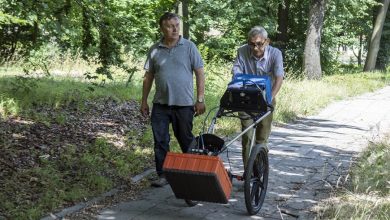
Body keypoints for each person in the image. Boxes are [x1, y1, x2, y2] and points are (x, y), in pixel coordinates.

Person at [140, 12, 206, 187]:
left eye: (177, 25)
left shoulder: (189, 47)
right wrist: (144, 101)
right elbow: (148, 76)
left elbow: (200, 73)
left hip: (184, 104)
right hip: (160, 104)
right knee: (160, 140)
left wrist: (200, 99)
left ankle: (194, 171)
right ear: (162, 29)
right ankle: (163, 174)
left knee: (185, 138)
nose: (175, 29)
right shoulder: (155, 49)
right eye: (170, 26)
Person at [231, 26, 284, 170]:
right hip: (246, 98)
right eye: (252, 44)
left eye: (259, 44)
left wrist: (270, 97)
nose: (255, 48)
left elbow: (279, 78)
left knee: (261, 139)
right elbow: (236, 73)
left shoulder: (275, 54)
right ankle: (248, 173)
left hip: (266, 98)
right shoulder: (242, 51)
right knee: (246, 137)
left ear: (267, 42)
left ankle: (259, 169)